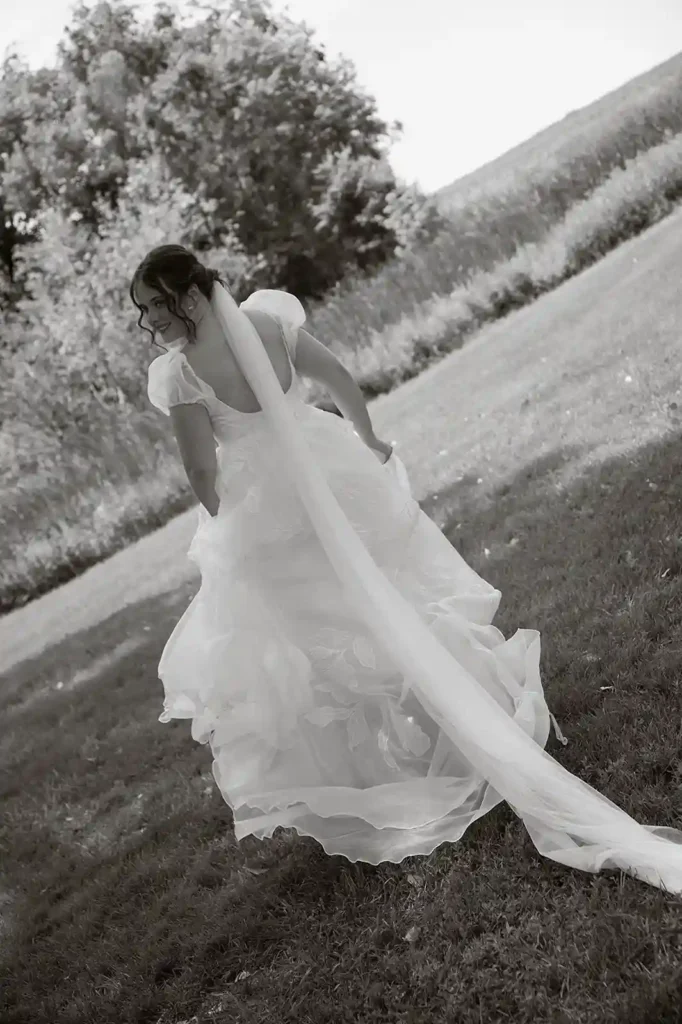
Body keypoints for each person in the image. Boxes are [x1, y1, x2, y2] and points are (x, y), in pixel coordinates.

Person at [131, 244, 682, 892]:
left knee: (329, 639)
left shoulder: (181, 373)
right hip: (333, 472)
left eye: (153, 308)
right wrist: (366, 438)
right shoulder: (269, 323)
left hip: (270, 514)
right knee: (394, 602)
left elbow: (201, 471)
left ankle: (406, 759)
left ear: (188, 296)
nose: (149, 324)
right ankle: (465, 710)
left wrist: (227, 525)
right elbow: (337, 378)